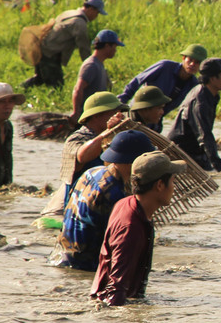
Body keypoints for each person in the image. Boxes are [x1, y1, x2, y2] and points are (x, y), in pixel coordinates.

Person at [90, 152, 184, 306]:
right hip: (112, 302)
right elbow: (115, 290)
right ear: (160, 185)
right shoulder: (130, 228)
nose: (174, 188)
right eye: (173, 181)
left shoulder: (126, 203)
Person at [52, 130, 155, 270]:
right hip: (85, 265)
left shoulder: (93, 172)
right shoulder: (114, 195)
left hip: (60, 256)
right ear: (134, 163)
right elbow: (119, 244)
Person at [167, 58, 221, 172]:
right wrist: (219, 168)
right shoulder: (200, 101)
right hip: (182, 154)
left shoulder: (209, 94)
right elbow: (204, 135)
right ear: (213, 79)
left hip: (195, 153)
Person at [58, 92, 126, 204]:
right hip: (81, 205)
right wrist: (108, 132)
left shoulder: (114, 138)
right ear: (96, 115)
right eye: (113, 113)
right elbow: (82, 156)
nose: (118, 116)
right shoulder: (76, 138)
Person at [24, 0, 106, 88]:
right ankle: (52, 101)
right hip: (50, 55)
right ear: (91, 9)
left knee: (40, 78)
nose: (96, 16)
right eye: (97, 13)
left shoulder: (69, 13)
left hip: (42, 48)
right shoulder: (79, 24)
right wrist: (91, 66)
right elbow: (84, 49)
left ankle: (21, 88)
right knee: (57, 86)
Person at [117, 44, 207, 118]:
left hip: (155, 121)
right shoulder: (165, 66)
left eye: (197, 62)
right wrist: (121, 104)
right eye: (190, 60)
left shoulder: (194, 85)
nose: (192, 64)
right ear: (183, 58)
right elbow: (137, 81)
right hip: (137, 113)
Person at [70, 29, 123, 123]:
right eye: (114, 46)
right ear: (107, 46)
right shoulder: (91, 65)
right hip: (89, 118)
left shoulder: (99, 64)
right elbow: (78, 88)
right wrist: (76, 112)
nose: (115, 50)